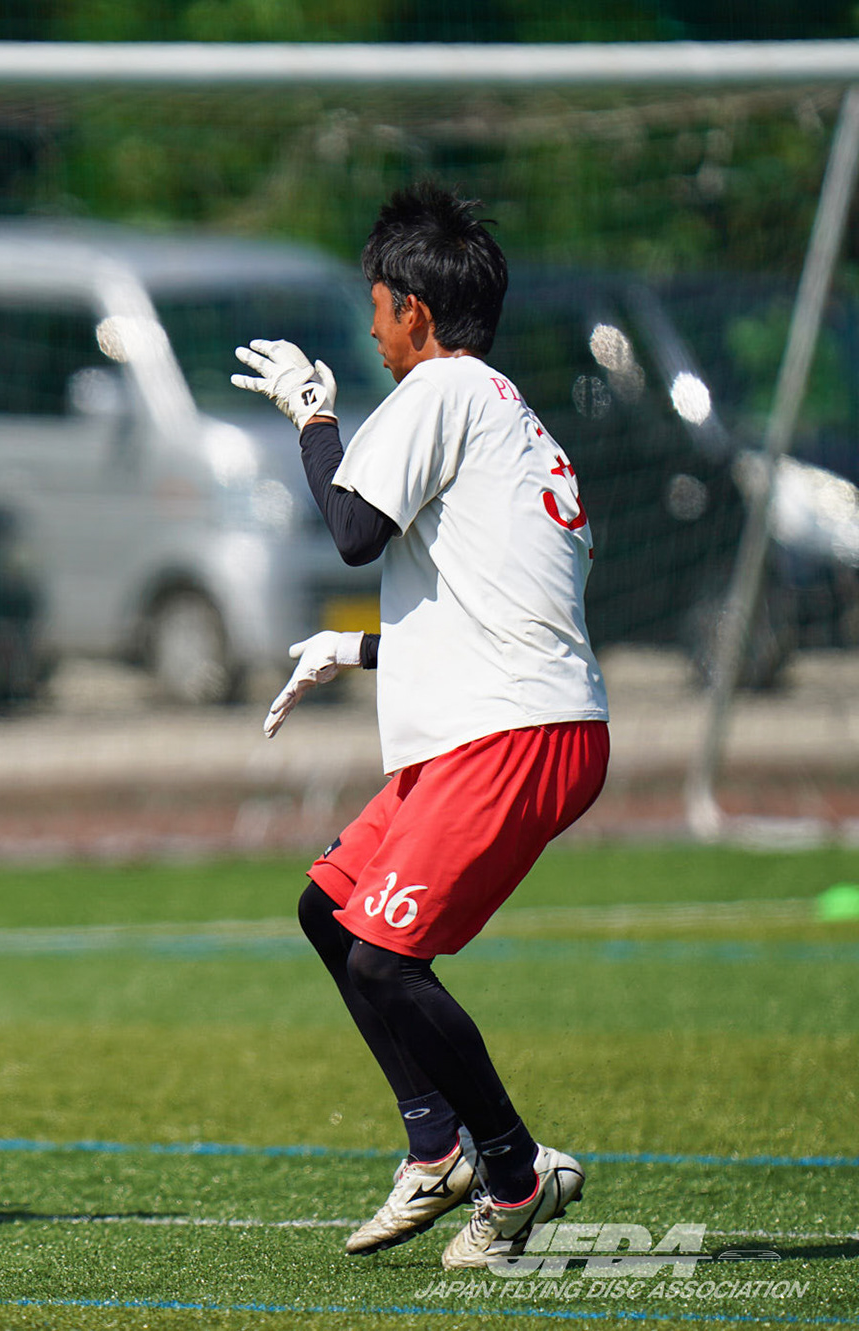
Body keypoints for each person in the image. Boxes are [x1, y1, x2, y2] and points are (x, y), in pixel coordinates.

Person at [232, 182, 608, 1271]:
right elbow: (497, 606)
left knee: (388, 961)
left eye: (376, 306)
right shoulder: (507, 417)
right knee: (330, 910)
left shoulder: (444, 387)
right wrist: (361, 649)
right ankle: (437, 1145)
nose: (371, 329)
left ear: (416, 310)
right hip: (504, 719)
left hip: (512, 734)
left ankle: (515, 1172)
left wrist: (312, 415)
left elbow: (353, 530)